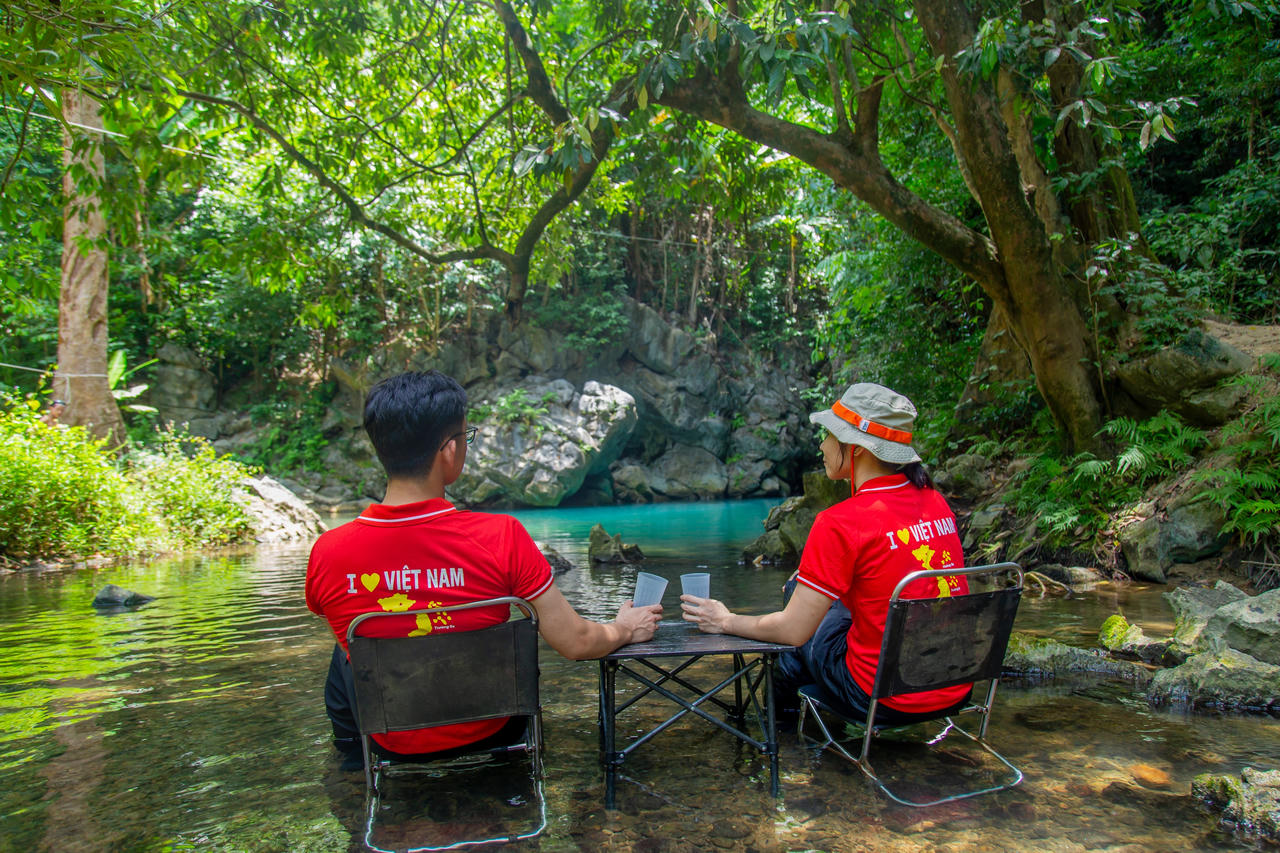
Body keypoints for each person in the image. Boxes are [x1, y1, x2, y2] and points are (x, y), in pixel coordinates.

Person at [306, 370, 662, 766]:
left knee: (349, 649)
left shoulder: (328, 552)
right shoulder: (502, 535)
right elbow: (576, 643)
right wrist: (626, 628)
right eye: (465, 436)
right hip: (492, 728)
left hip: (391, 739)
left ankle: (356, 767)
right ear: (448, 451)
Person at [681, 382, 969, 725]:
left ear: (858, 447)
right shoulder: (934, 501)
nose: (822, 444)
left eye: (830, 434)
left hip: (879, 694)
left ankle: (782, 743)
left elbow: (792, 631)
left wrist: (724, 620)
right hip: (953, 682)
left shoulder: (840, 522)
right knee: (809, 601)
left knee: (792, 639)